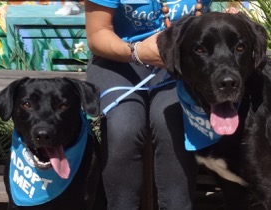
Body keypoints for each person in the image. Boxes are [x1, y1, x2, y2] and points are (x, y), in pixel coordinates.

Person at [84, 0, 212, 209]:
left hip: (181, 62)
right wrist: (138, 52)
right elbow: (98, 33)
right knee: (123, 127)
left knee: (172, 121)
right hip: (117, 57)